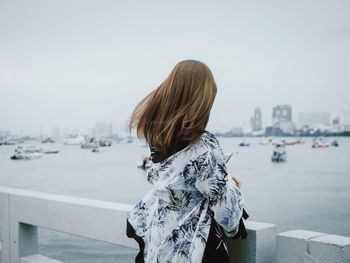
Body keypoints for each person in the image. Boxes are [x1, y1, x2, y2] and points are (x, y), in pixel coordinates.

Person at [127, 60, 244, 263]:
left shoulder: (157, 141)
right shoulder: (204, 147)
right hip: (195, 253)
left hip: (158, 248)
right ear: (201, 101)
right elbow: (228, 217)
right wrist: (231, 184)